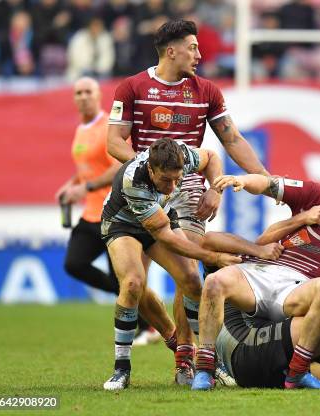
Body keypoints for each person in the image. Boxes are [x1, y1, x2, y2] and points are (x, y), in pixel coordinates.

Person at [106, 19, 269, 384]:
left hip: (189, 188)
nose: (199, 54)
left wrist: (265, 180)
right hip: (144, 188)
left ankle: (186, 357)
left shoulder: (206, 91)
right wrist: (149, 168)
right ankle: (173, 339)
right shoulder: (131, 87)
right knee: (135, 283)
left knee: (187, 272)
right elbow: (115, 142)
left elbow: (231, 139)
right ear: (172, 51)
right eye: (193, 48)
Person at [193, 164, 320, 391]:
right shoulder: (318, 196)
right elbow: (269, 184)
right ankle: (204, 370)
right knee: (214, 281)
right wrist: (241, 180)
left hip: (297, 290)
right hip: (261, 274)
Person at [101, 138, 283, 391]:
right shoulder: (135, 181)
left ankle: (211, 361)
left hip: (161, 215)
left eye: (177, 179)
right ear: (151, 171)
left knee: (191, 281)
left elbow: (211, 157)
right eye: (166, 181)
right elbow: (165, 237)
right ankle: (122, 369)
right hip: (122, 223)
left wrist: (214, 189)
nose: (174, 186)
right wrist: (215, 258)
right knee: (133, 283)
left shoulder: (183, 155)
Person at [54, 76, 164, 346]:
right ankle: (143, 318)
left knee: (125, 277)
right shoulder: (81, 129)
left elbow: (119, 166)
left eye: (87, 91)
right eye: (78, 92)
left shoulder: (108, 128)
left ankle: (149, 326)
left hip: (114, 213)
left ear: (97, 95)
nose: (83, 96)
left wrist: (87, 186)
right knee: (74, 264)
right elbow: (85, 168)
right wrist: (70, 186)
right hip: (90, 214)